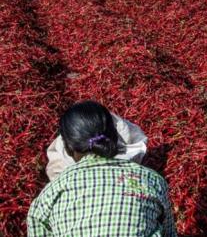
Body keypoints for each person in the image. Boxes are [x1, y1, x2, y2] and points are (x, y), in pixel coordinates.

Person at [28, 101, 176, 237]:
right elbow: (169, 233)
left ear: (67, 148)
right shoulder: (152, 180)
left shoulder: (51, 192)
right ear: (115, 137)